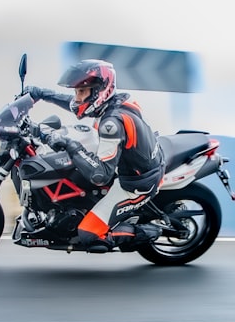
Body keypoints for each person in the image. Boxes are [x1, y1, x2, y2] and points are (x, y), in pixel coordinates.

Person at [25, 59, 164, 252]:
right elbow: (74, 104)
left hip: (136, 183)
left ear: (99, 91)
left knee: (88, 235)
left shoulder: (111, 124)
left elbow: (100, 175)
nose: (77, 97)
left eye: (82, 92)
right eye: (76, 91)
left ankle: (149, 232)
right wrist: (40, 94)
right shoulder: (114, 101)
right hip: (134, 161)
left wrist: (69, 144)